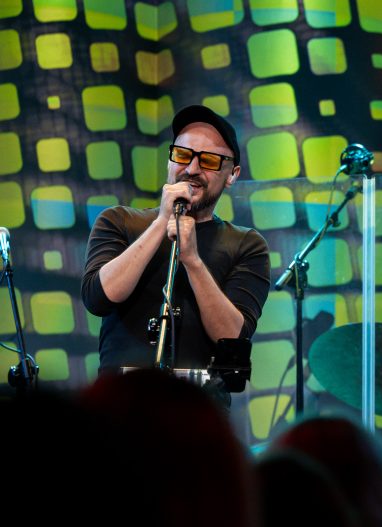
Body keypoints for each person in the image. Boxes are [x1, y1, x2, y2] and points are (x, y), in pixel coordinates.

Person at [81, 105, 270, 371]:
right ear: (170, 160)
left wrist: (193, 261)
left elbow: (232, 338)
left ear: (232, 175)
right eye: (182, 155)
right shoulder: (119, 220)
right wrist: (162, 221)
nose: (191, 169)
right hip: (122, 393)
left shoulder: (246, 244)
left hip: (200, 395)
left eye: (209, 161)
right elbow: (98, 300)